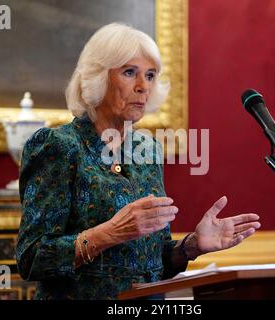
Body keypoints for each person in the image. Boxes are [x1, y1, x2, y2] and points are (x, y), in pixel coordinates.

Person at [16, 23, 261, 300]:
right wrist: (108, 233)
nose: (143, 87)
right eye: (130, 72)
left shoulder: (149, 151)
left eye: (151, 75)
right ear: (98, 77)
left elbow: (152, 263)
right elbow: (32, 258)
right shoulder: (58, 146)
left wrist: (190, 247)